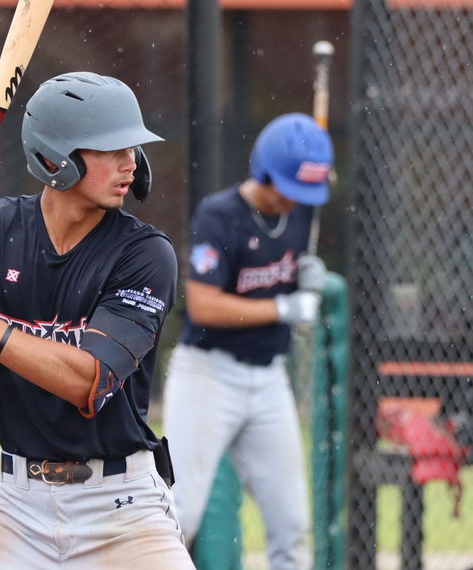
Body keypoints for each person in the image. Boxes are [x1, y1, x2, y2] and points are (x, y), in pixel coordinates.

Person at [0, 72, 195, 570]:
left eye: (132, 148)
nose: (129, 163)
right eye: (110, 149)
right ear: (56, 159)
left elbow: (89, 382)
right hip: (18, 506)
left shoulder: (144, 254)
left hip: (122, 509)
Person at [162, 113, 333, 570]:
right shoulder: (221, 215)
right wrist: (284, 308)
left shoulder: (301, 212)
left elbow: (290, 268)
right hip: (208, 374)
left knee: (292, 523)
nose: (293, 201)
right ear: (264, 172)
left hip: (269, 378)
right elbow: (203, 305)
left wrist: (306, 283)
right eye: (287, 189)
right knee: (179, 514)